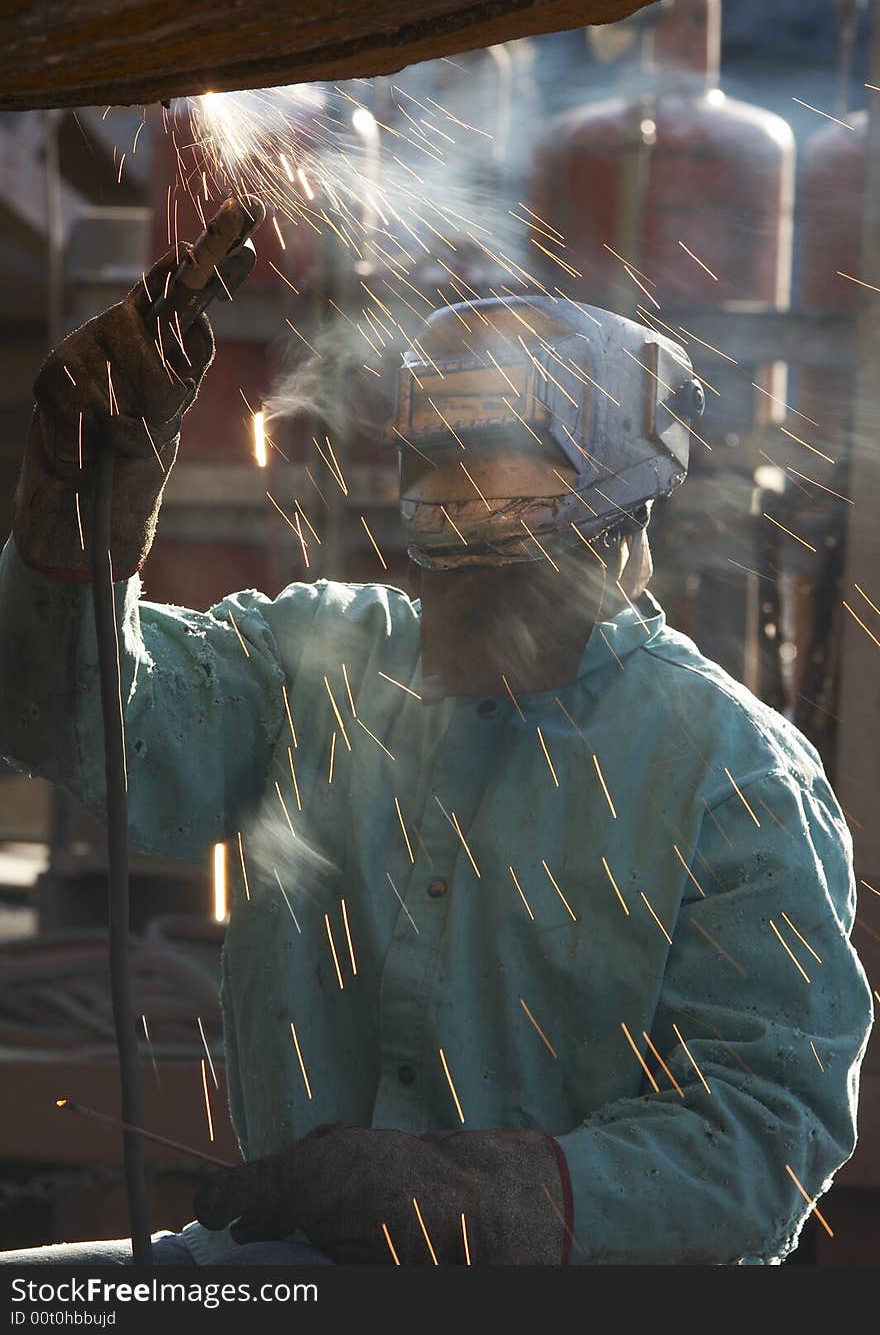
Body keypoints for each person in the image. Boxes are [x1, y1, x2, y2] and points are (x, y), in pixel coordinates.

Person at [0, 257, 872, 1266]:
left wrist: (489, 1198)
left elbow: (763, 1144)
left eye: (515, 571)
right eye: (448, 554)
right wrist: (78, 506)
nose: (474, 613)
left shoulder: (733, 775)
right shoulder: (315, 666)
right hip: (290, 1267)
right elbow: (70, 713)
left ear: (626, 519)